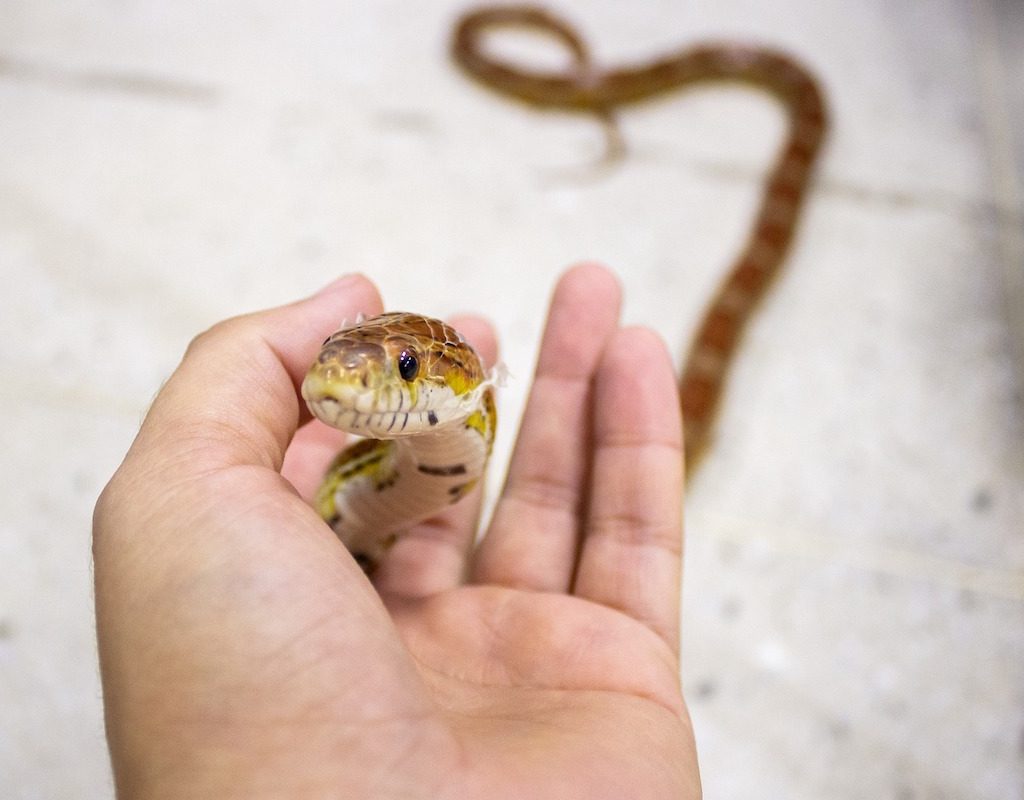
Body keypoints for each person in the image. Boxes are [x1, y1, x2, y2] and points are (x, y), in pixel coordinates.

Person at [93, 264, 701, 798]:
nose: (341, 383)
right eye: (331, 358)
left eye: (406, 368)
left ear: (460, 381)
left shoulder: (464, 403)